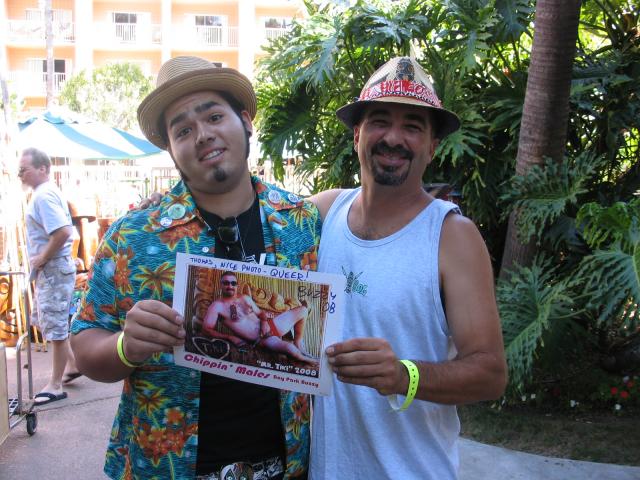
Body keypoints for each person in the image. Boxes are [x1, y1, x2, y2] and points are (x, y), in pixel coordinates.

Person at [70, 56, 321, 480]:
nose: (203, 135)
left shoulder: (301, 221)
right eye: (183, 130)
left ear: (245, 122)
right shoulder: (134, 237)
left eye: (214, 116)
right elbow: (85, 344)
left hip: (287, 465)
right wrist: (126, 347)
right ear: (171, 149)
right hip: (167, 466)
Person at [308, 57, 508, 479]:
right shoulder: (323, 213)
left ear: (432, 146)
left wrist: (404, 375)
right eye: (380, 121)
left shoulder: (452, 237)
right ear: (357, 134)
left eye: (413, 127)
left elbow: (490, 374)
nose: (394, 138)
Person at [18, 147, 81, 405]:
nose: (20, 174)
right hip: (54, 268)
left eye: (24, 169)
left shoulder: (43, 196)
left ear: (42, 168)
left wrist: (42, 257)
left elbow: (63, 231)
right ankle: (72, 365)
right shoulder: (45, 193)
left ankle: (55, 385)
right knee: (51, 322)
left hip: (54, 268)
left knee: (55, 327)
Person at [201, 271, 315, 363]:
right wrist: (229, 337)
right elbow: (206, 329)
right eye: (226, 283)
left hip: (272, 326)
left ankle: (298, 342)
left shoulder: (245, 298)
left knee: (303, 310)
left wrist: (264, 322)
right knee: (293, 352)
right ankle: (310, 360)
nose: (230, 286)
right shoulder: (217, 306)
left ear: (236, 285)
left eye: (233, 283)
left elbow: (261, 314)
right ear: (221, 285)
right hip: (262, 339)